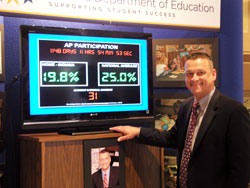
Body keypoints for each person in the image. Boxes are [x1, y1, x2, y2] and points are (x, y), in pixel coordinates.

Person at [110, 52, 250, 188]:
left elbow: (242, 169)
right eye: (189, 74)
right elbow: (172, 138)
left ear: (213, 74)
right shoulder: (187, 106)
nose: (194, 79)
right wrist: (138, 131)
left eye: (200, 73)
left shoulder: (233, 111)